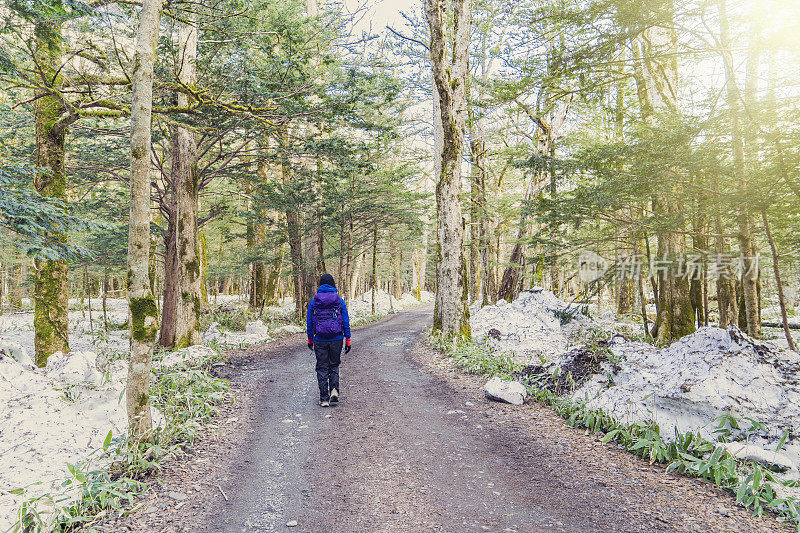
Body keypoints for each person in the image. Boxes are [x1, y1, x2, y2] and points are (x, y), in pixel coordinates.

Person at [307, 273, 351, 407]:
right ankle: (334, 390)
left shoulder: (314, 301)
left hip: (320, 339)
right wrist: (347, 339)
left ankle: (324, 399)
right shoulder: (339, 300)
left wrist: (310, 339)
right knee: (334, 365)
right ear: (332, 284)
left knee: (322, 367)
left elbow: (310, 322)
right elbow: (345, 320)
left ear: (320, 284)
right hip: (337, 338)